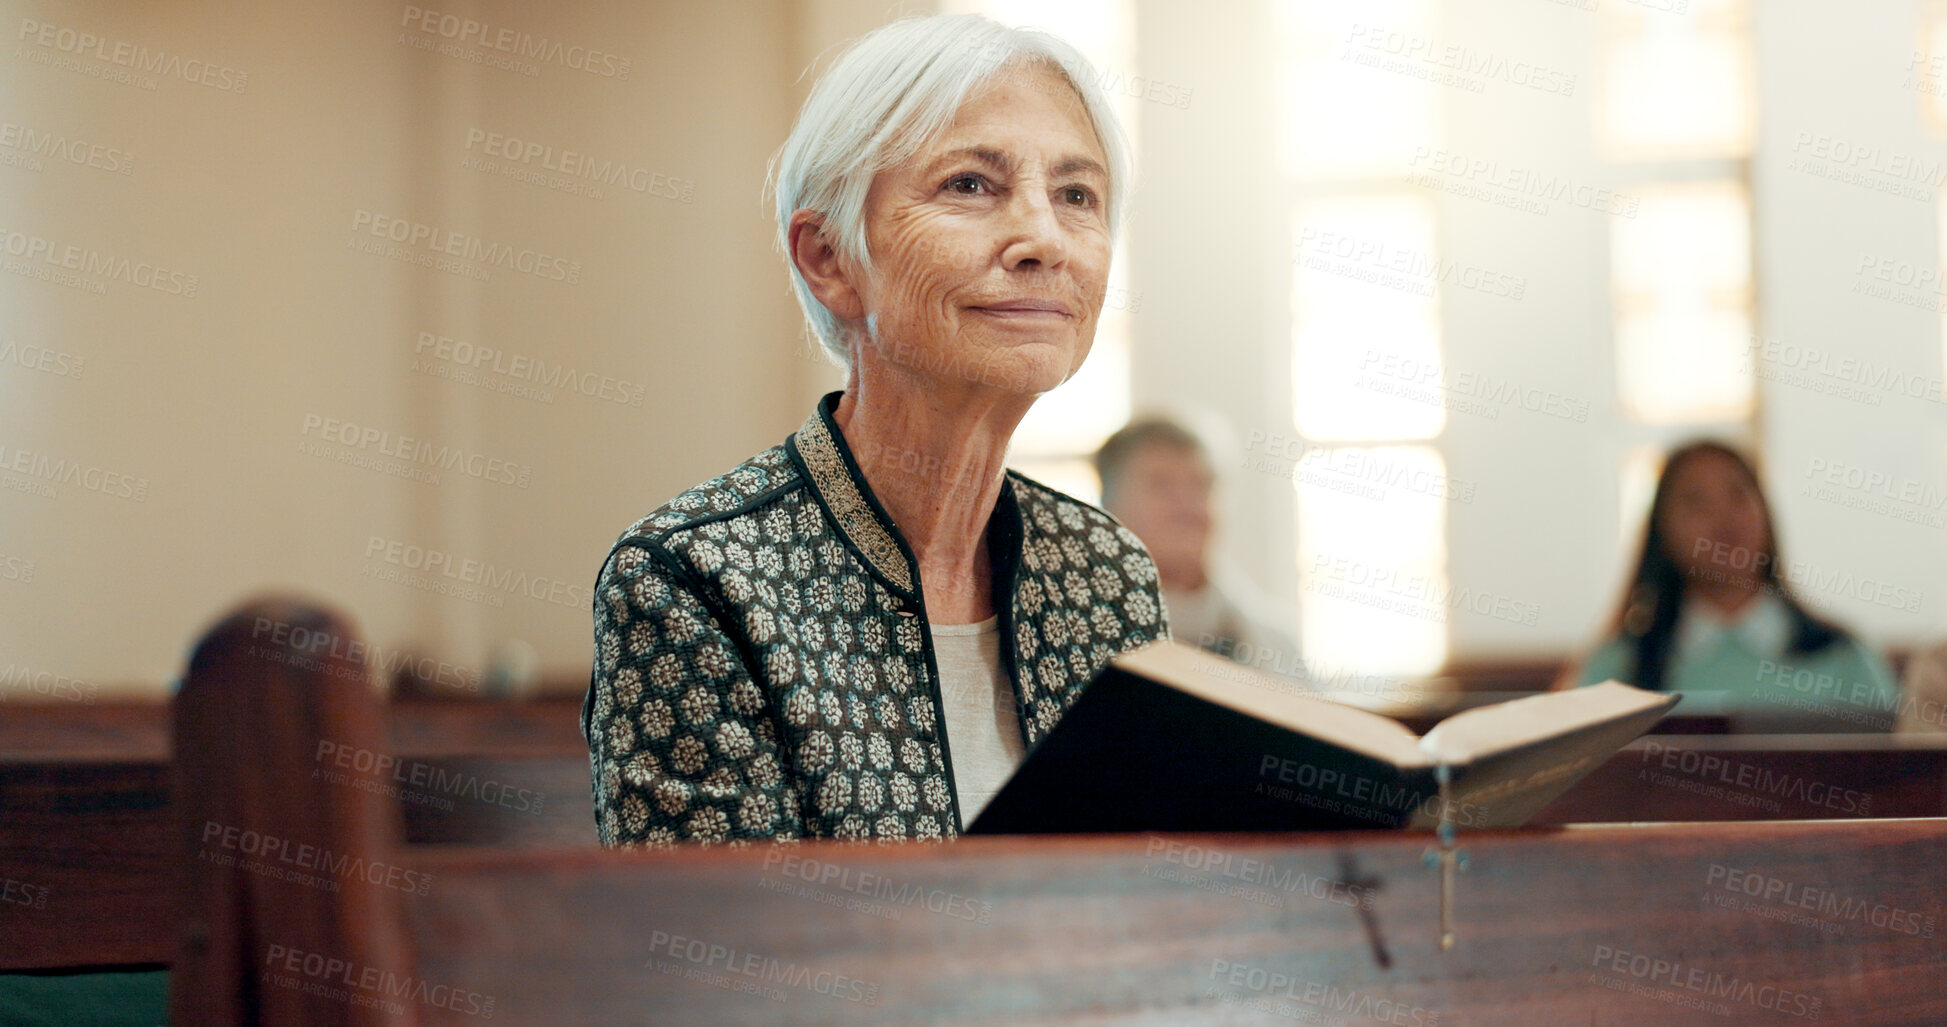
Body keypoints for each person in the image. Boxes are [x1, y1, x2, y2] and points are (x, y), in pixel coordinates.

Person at [581, 14, 1167, 846]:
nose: (1044, 238)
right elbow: (723, 957)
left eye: (1077, 194)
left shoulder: (1107, 573)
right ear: (828, 258)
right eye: (970, 184)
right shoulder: (695, 581)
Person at [1567, 440, 1898, 730]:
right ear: (1661, 532)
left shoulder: (1844, 658)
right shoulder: (1615, 670)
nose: (1722, 516)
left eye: (1738, 494)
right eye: (1696, 501)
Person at [1095, 418, 1298, 669]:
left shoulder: (1278, 645)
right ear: (1109, 506)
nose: (1187, 504)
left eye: (1201, 484)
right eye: (1161, 484)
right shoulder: (1078, 636)